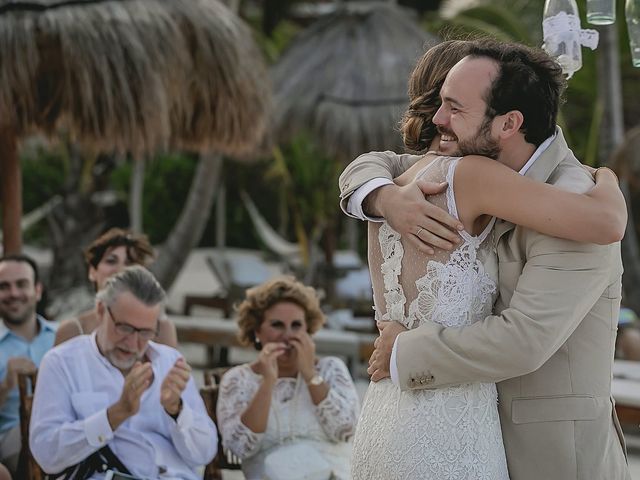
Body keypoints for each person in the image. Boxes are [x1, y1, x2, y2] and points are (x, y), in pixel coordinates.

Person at [339, 39, 630, 479]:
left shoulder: (574, 200)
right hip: (450, 430)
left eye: (454, 108)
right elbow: (381, 161)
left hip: (549, 456)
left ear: (509, 123)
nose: (438, 120)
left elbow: (525, 339)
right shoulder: (449, 174)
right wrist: (381, 196)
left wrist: (403, 351)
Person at [30, 266, 216, 479]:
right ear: (100, 311)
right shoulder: (62, 363)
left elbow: (204, 453)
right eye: (124, 328)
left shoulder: (170, 362)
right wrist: (116, 414)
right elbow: (46, 454)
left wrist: (177, 411)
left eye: (145, 332)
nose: (133, 342)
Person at [216, 276, 360, 480]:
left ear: (307, 329)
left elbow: (345, 431)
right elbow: (241, 448)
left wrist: (310, 375)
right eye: (277, 325)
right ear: (257, 330)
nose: (287, 335)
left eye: (296, 325)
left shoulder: (331, 368)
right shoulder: (237, 379)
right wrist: (267, 383)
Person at [55, 228, 177, 347]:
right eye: (111, 261)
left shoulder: (162, 328)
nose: (120, 270)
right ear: (92, 271)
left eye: (130, 263)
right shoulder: (73, 330)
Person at [0, 254, 55, 474]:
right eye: (4, 286)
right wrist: (6, 385)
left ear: (38, 290)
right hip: (15, 439)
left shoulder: (64, 334)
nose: (13, 293)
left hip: (66, 428)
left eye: (21, 284)